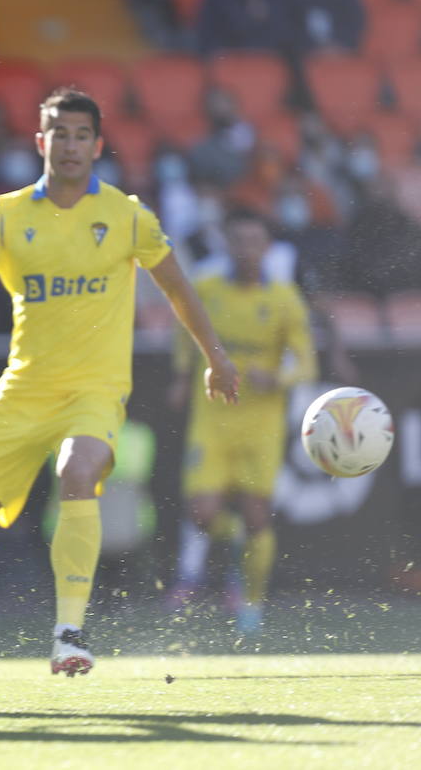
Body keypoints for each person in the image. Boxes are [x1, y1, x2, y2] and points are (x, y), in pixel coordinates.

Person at [0, 88, 238, 683]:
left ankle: (69, 634)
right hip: (24, 390)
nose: (71, 144)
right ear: (40, 143)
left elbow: (180, 289)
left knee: (77, 471)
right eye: (59, 133)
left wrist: (215, 356)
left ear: (98, 145)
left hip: (95, 390)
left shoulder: (128, 215)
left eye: (82, 135)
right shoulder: (7, 214)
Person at [166, 209, 316, 637]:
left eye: (255, 242)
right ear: (227, 246)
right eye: (239, 241)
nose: (247, 250)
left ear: (266, 248)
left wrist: (281, 377)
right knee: (201, 511)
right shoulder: (207, 291)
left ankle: (251, 602)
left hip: (260, 423)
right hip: (212, 417)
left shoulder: (284, 299)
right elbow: (183, 333)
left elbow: (306, 360)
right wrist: (181, 374)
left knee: (256, 517)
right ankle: (229, 550)